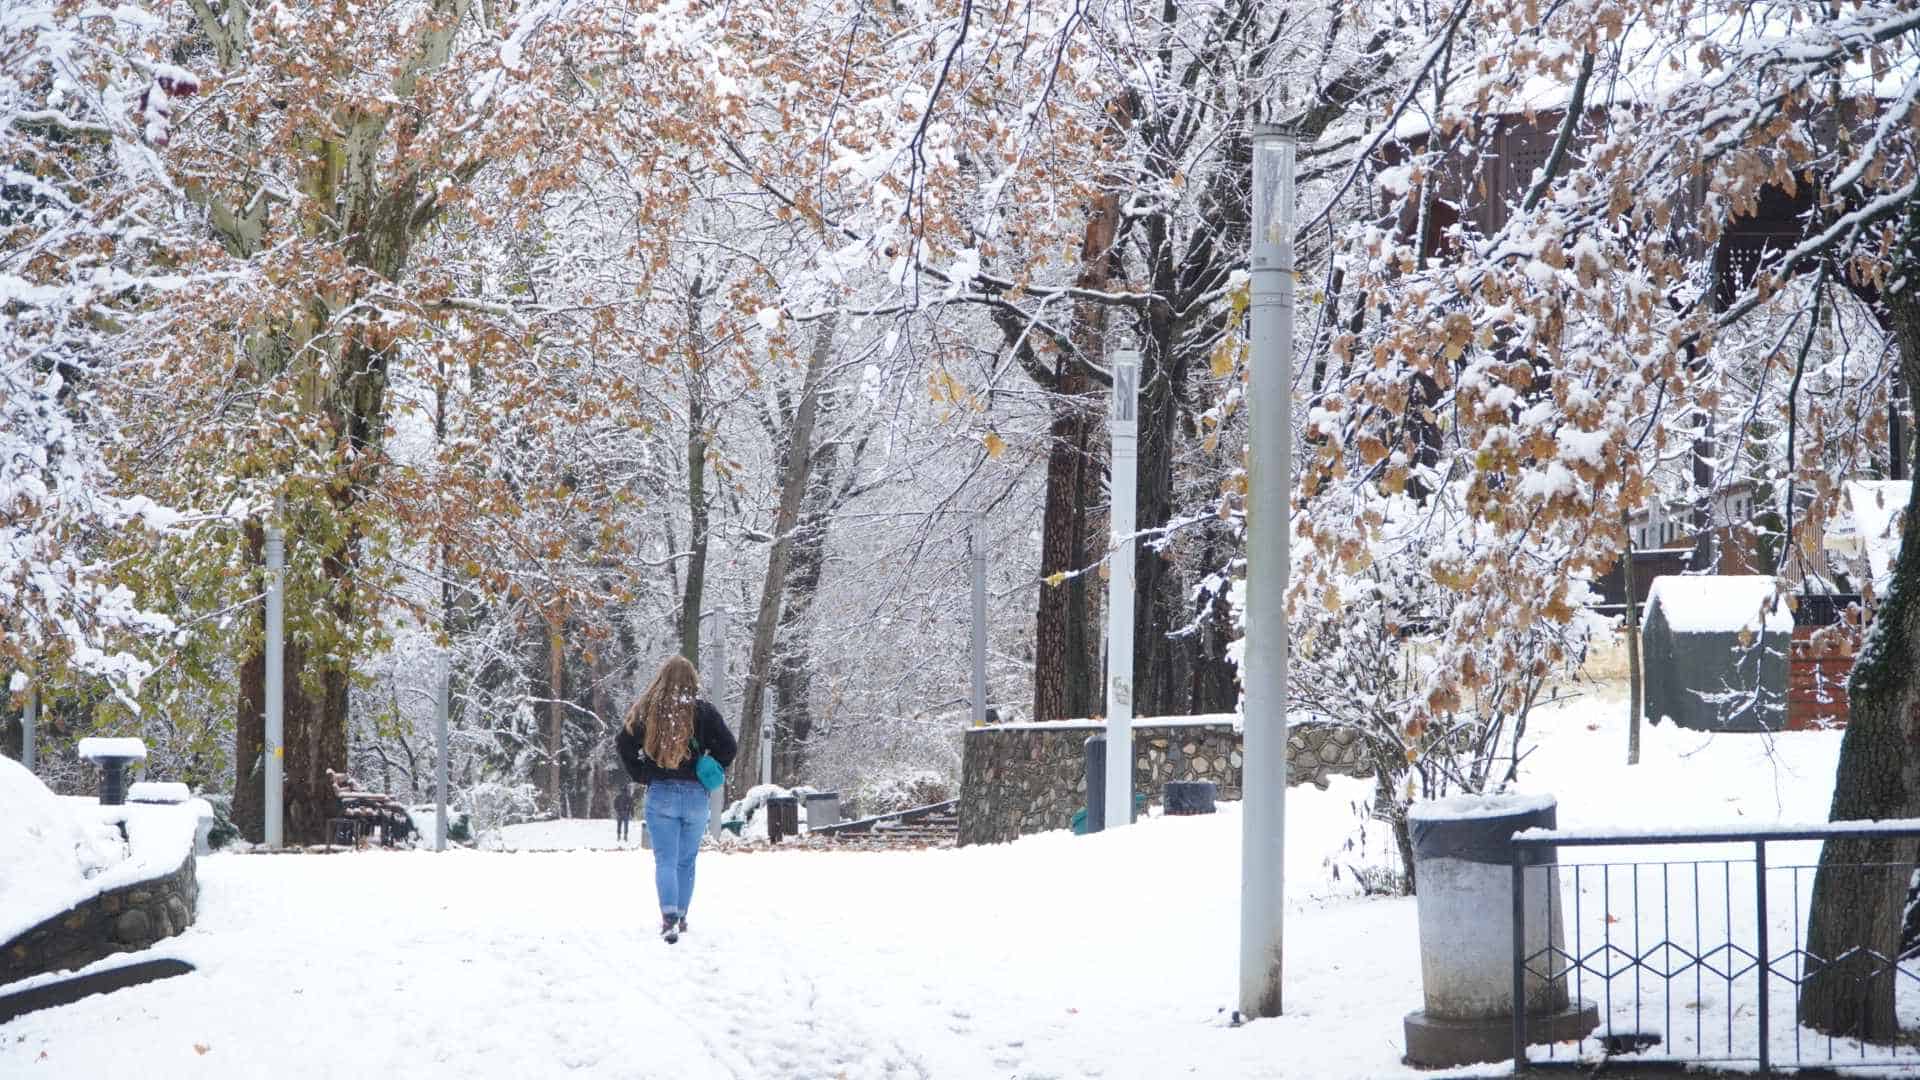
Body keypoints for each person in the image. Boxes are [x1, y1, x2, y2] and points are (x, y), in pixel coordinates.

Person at [615, 655, 736, 944]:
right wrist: (707, 765)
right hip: (696, 796)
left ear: (662, 679)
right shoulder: (704, 712)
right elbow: (729, 747)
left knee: (665, 860)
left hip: (662, 792)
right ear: (692, 681)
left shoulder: (648, 711)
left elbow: (623, 742)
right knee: (687, 861)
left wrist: (643, 773)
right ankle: (681, 916)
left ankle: (668, 917)